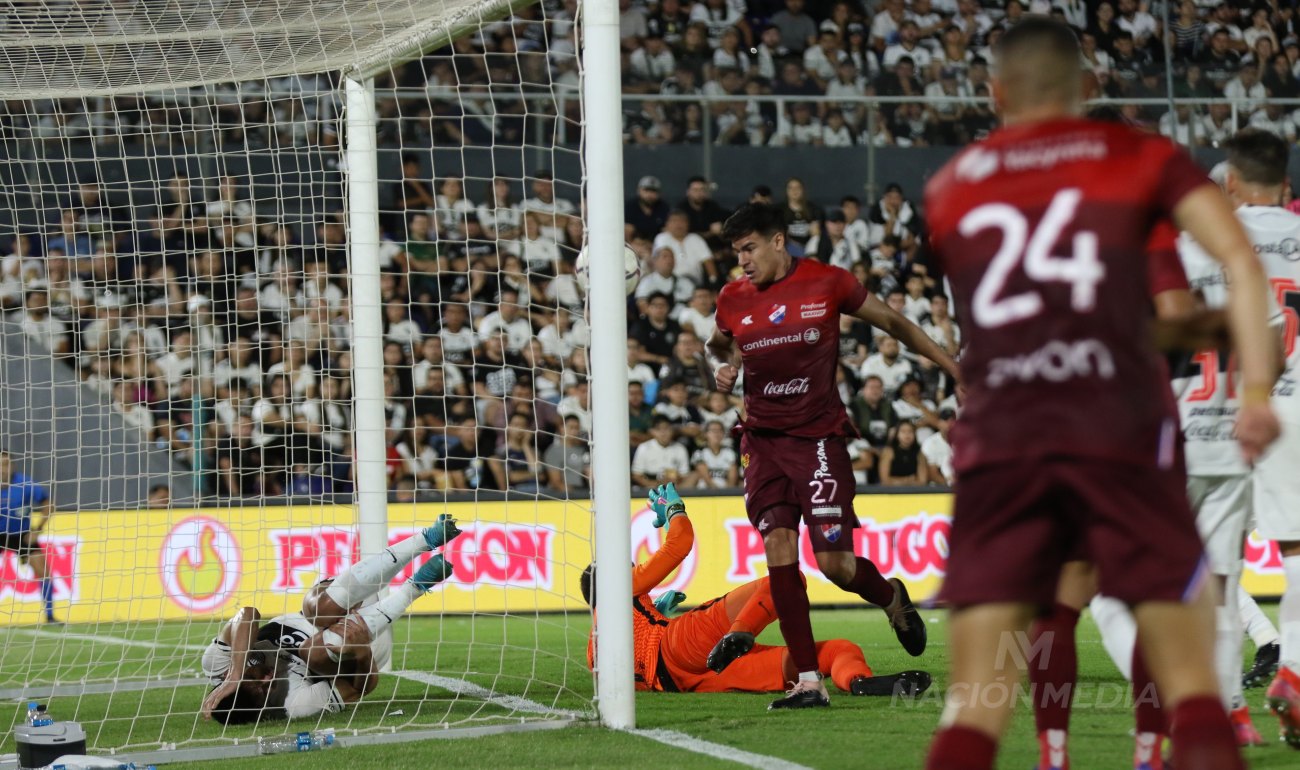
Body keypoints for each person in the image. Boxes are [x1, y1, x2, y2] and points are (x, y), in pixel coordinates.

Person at [922, 19, 1279, 770]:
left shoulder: (948, 188)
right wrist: (1253, 392)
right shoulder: (1139, 158)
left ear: (994, 94)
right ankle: (1158, 746)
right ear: (1088, 87)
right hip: (1118, 426)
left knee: (974, 708)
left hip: (1001, 436)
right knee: (1197, 696)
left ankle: (1052, 752)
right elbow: (1239, 264)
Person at [705, 202, 962, 709]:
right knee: (778, 546)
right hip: (761, 442)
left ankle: (891, 597)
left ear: (779, 241)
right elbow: (719, 342)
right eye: (737, 253)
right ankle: (808, 681)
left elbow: (895, 324)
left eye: (750, 248)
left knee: (835, 565)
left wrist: (956, 371)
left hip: (818, 438)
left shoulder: (827, 282)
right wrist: (728, 364)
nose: (743, 262)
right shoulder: (733, 297)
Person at [582, 484, 932, 697]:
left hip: (697, 680)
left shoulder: (595, 648)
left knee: (835, 652)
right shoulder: (618, 587)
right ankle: (740, 633)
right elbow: (680, 543)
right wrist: (674, 510)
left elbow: (637, 664)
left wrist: (653, 608)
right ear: (610, 578)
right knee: (783, 581)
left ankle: (858, 682)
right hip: (680, 645)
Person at [200, 515, 462, 723]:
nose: (266, 680)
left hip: (339, 601)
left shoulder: (218, 665)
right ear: (260, 712)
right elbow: (358, 690)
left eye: (254, 680)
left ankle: (426, 539)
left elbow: (247, 614)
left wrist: (235, 673)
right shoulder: (294, 706)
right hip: (359, 645)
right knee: (311, 651)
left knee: (318, 609)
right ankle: (413, 589)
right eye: (263, 692)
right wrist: (360, 651)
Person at [1225, 131, 1300, 749]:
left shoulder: (1213, 238)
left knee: (1212, 559)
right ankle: (1294, 670)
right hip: (1296, 403)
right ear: (1286, 182)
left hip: (1220, 409)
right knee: (1299, 549)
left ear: (1230, 182)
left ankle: (1226, 709)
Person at [0, 450, 58, 624]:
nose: (4, 468)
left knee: (43, 570)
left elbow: (48, 504)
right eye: (1, 465)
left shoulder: (24, 483)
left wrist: (38, 529)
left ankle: (50, 616)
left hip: (22, 535)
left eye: (7, 464)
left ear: (13, 465)